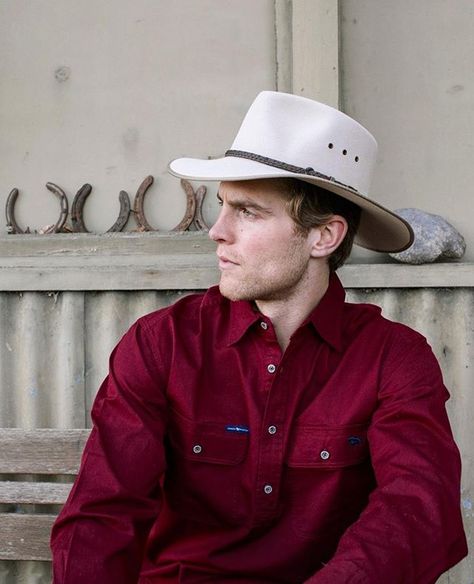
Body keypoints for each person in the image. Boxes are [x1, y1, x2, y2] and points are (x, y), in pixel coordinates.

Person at [51, 91, 467, 583]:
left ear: (323, 237)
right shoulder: (161, 344)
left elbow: (417, 512)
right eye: (222, 205)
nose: (216, 232)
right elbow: (102, 512)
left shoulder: (393, 359)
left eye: (248, 212)